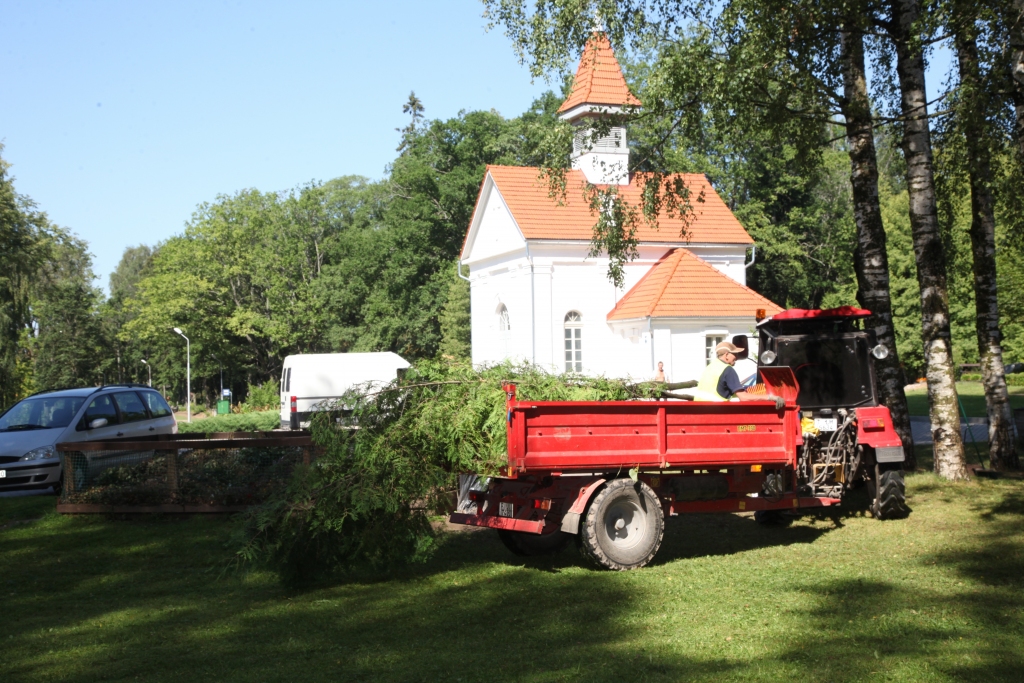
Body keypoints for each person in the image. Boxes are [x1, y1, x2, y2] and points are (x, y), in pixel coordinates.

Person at [695, 341, 784, 409]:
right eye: (735, 354)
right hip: (717, 412)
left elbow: (718, 391)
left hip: (700, 410)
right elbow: (744, 398)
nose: (737, 358)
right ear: (726, 355)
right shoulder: (727, 369)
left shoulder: (710, 367)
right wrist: (770, 397)